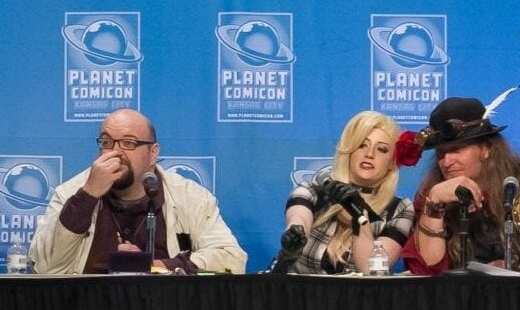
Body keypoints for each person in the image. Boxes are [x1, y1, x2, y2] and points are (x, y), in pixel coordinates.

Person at [29, 108, 247, 274]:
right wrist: (88, 196)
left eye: (128, 143)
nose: (115, 152)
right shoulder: (71, 194)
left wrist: (154, 267)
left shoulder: (189, 196)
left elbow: (231, 258)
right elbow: (44, 266)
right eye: (106, 142)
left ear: (153, 153)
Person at [401, 94, 520, 274]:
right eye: (441, 153)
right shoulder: (433, 193)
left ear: (486, 149)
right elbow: (426, 272)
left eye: (456, 150)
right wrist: (435, 205)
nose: (447, 162)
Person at [276, 110, 415, 274]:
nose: (369, 154)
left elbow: (372, 270)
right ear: (349, 151)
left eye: (382, 149)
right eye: (362, 144)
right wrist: (295, 235)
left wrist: (359, 215)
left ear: (392, 162)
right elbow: (299, 218)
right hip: (300, 296)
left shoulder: (400, 209)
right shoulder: (312, 190)